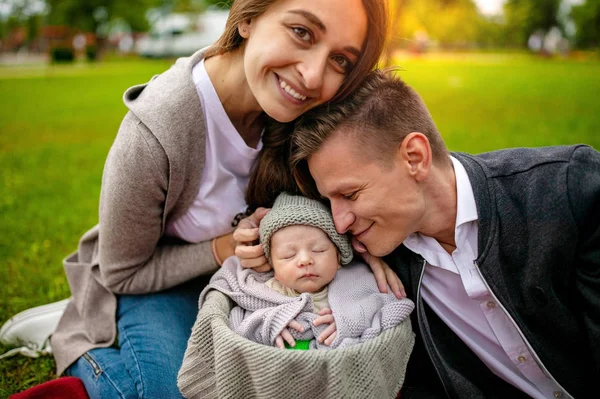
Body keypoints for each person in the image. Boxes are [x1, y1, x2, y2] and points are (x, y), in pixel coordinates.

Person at [0, 1, 393, 398]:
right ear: (249, 18)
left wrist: (362, 249)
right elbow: (123, 273)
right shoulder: (156, 131)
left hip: (265, 281)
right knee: (182, 390)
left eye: (340, 60)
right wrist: (223, 249)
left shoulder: (313, 111)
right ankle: (81, 333)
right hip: (158, 284)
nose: (312, 76)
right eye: (302, 32)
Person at [289, 70, 600, 399]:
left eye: (350, 195)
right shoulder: (384, 266)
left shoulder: (571, 192)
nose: (339, 223)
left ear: (415, 158)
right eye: (330, 201)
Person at [197, 192, 411, 350]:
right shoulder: (260, 290)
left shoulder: (357, 281)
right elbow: (237, 322)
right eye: (289, 255)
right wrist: (269, 323)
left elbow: (386, 309)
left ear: (339, 258)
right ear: (271, 264)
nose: (305, 260)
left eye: (319, 250)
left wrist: (350, 321)